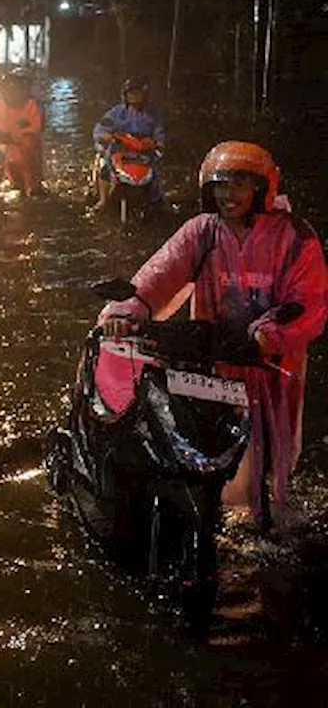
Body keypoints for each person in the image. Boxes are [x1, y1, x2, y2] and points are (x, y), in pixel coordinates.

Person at [97, 142, 327, 527]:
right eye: (220, 185)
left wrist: (269, 334)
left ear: (262, 189)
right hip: (210, 370)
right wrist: (125, 312)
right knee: (204, 457)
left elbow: (309, 303)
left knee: (270, 469)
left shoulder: (295, 238)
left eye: (239, 184)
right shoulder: (202, 232)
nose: (228, 194)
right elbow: (158, 277)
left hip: (272, 369)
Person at [93, 77, 167, 211]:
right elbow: (101, 129)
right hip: (119, 151)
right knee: (105, 169)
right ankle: (103, 200)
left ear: (144, 94)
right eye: (131, 93)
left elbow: (159, 133)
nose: (134, 96)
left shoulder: (153, 114)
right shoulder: (117, 113)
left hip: (143, 153)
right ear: (125, 95)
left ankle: (157, 199)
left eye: (137, 93)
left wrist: (157, 142)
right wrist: (107, 136)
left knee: (156, 172)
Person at [0, 73, 43, 197]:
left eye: (15, 87)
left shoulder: (31, 106)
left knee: (32, 189)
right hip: (5, 152)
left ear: (23, 90)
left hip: (26, 153)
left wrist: (17, 136)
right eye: (8, 87)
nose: (11, 91)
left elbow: (36, 126)